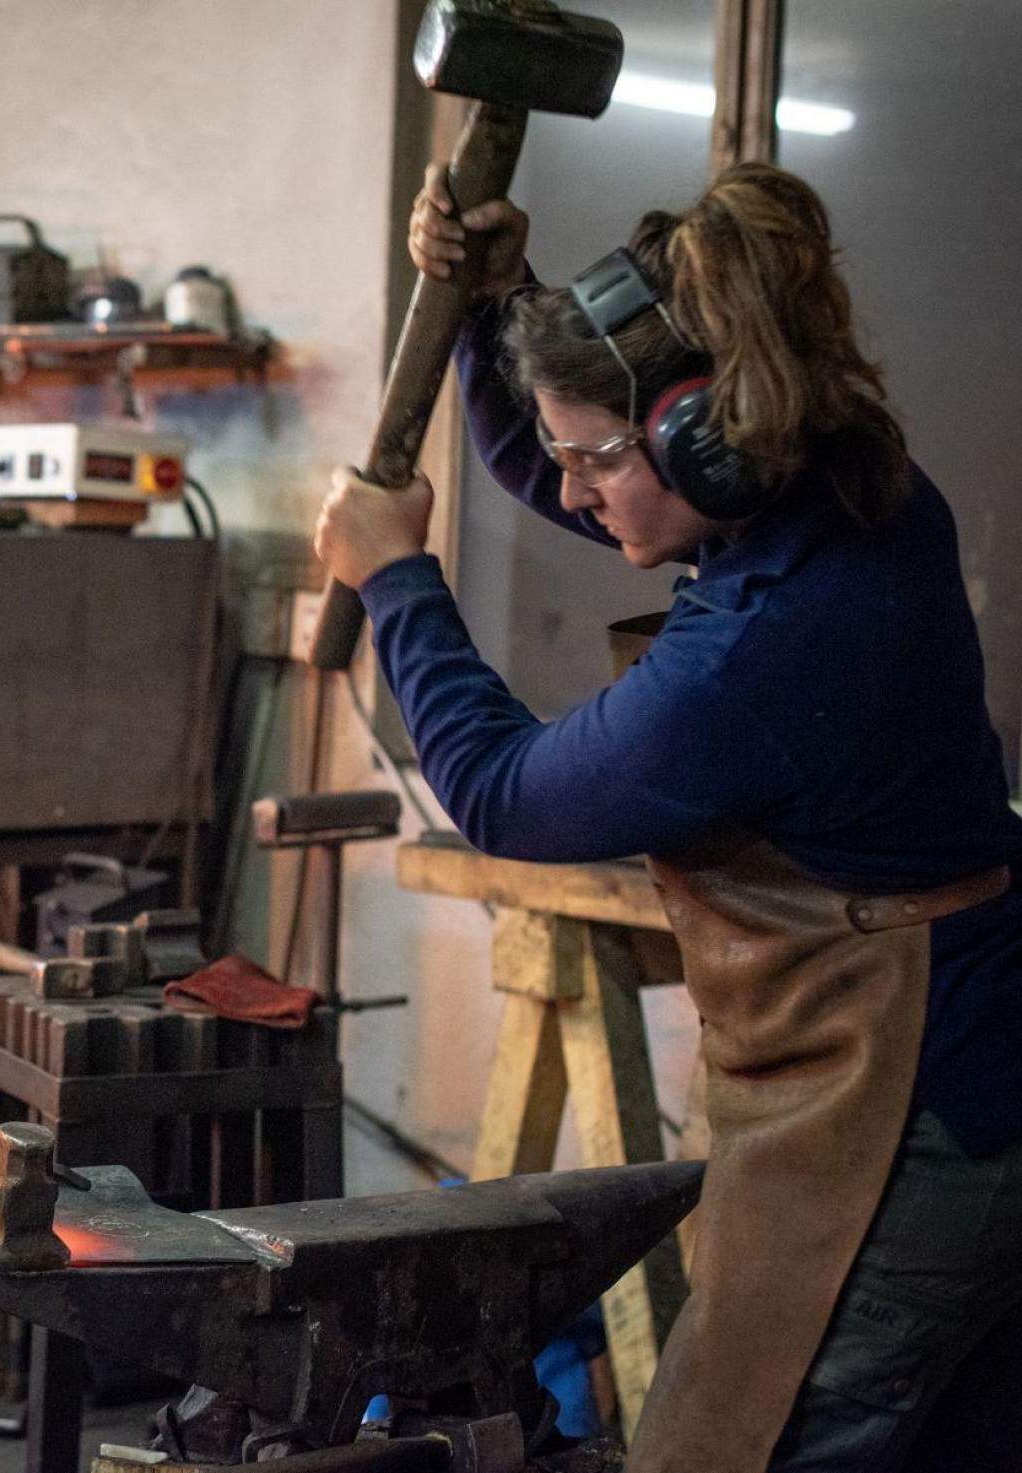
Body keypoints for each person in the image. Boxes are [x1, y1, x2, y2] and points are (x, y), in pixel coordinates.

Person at [315, 161, 1022, 1472]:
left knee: (740, 1444)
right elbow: (582, 472)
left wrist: (398, 576)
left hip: (920, 1100)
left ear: (707, 435)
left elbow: (500, 792)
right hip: (967, 1049)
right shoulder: (849, 494)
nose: (572, 492)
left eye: (598, 457)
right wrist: (490, 305)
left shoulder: (764, 650)